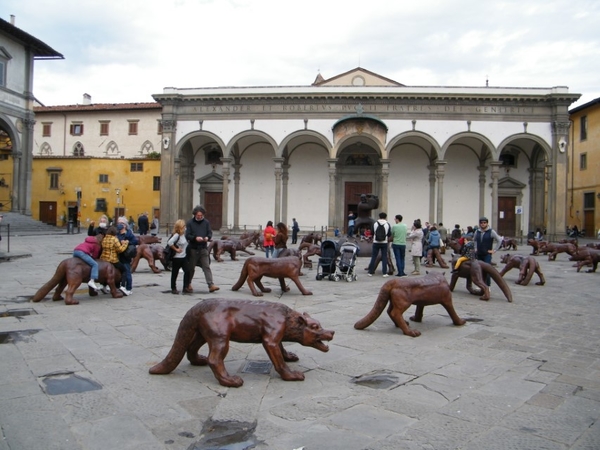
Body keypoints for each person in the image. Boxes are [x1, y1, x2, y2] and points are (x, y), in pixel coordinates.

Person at [185, 205, 219, 293]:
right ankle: (188, 284)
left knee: (206, 266)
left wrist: (207, 237)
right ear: (195, 214)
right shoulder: (190, 223)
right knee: (191, 268)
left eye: (201, 215)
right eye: (198, 215)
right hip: (193, 248)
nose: (199, 217)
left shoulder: (206, 222)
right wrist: (195, 238)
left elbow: (209, 232)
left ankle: (211, 285)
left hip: (203, 248)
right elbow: (187, 235)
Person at [474, 217, 503, 287]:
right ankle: (480, 285)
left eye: (484, 223)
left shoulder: (491, 231)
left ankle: (487, 285)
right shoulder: (477, 231)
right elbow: (474, 240)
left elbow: (499, 240)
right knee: (479, 270)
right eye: (481, 223)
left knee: (487, 270)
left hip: (487, 254)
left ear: (487, 223)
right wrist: (475, 248)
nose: (483, 224)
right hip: (479, 254)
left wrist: (494, 250)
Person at [100, 226, 128, 294]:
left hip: (103, 259)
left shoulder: (105, 238)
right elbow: (120, 250)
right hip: (112, 259)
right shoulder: (114, 239)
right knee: (124, 270)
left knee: (106, 274)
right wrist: (125, 243)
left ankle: (104, 286)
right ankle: (123, 286)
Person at [116, 217, 138, 296]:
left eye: (121, 223)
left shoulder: (129, 233)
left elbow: (136, 241)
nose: (119, 225)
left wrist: (127, 242)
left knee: (127, 271)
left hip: (125, 256)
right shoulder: (116, 233)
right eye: (118, 223)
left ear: (125, 225)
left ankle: (128, 288)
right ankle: (118, 286)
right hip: (117, 255)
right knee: (118, 272)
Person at [167, 219, 190, 294]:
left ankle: (185, 287)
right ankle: (173, 287)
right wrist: (176, 249)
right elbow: (170, 242)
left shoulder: (184, 235)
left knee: (187, 271)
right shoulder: (176, 235)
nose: (185, 227)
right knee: (175, 273)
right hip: (177, 258)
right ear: (180, 227)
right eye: (184, 226)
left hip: (184, 257)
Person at [367, 212, 391, 277]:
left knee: (374, 257)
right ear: (385, 217)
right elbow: (389, 234)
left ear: (379, 216)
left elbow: (372, 233)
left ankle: (370, 272)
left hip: (376, 242)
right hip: (384, 242)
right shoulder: (387, 224)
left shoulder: (375, 224)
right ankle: (384, 273)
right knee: (384, 257)